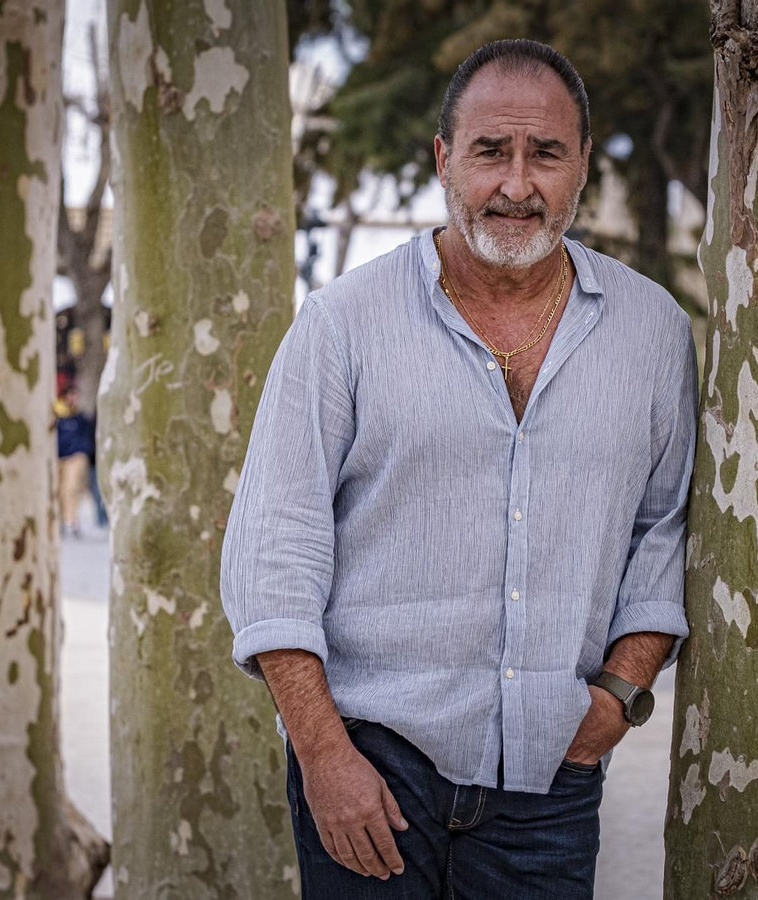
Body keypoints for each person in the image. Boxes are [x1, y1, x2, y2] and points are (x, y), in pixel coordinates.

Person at [220, 39, 696, 899]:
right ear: (445, 159)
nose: (517, 184)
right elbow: (272, 552)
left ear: (582, 164)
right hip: (372, 767)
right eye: (490, 152)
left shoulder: (652, 331)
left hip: (550, 778)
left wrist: (619, 694)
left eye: (546, 153)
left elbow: (665, 524)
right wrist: (324, 756)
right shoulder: (341, 326)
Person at [55, 386, 95, 537]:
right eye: (72, 395)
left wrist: (83, 450)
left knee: (70, 488)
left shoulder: (80, 418)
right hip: (58, 457)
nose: (74, 399)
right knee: (57, 490)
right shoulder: (56, 416)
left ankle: (71, 521)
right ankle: (59, 521)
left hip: (75, 456)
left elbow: (87, 436)